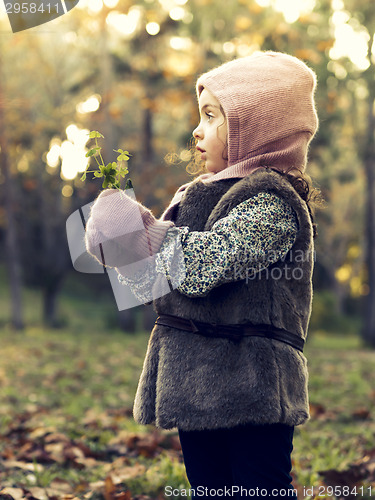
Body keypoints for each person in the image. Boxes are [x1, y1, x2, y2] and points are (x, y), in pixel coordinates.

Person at [85, 51, 320, 498]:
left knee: (259, 488)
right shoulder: (193, 194)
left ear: (256, 128)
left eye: (211, 116)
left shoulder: (273, 201)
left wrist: (146, 236)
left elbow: (206, 264)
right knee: (209, 489)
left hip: (252, 385)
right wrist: (115, 242)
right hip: (192, 379)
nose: (196, 129)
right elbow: (154, 283)